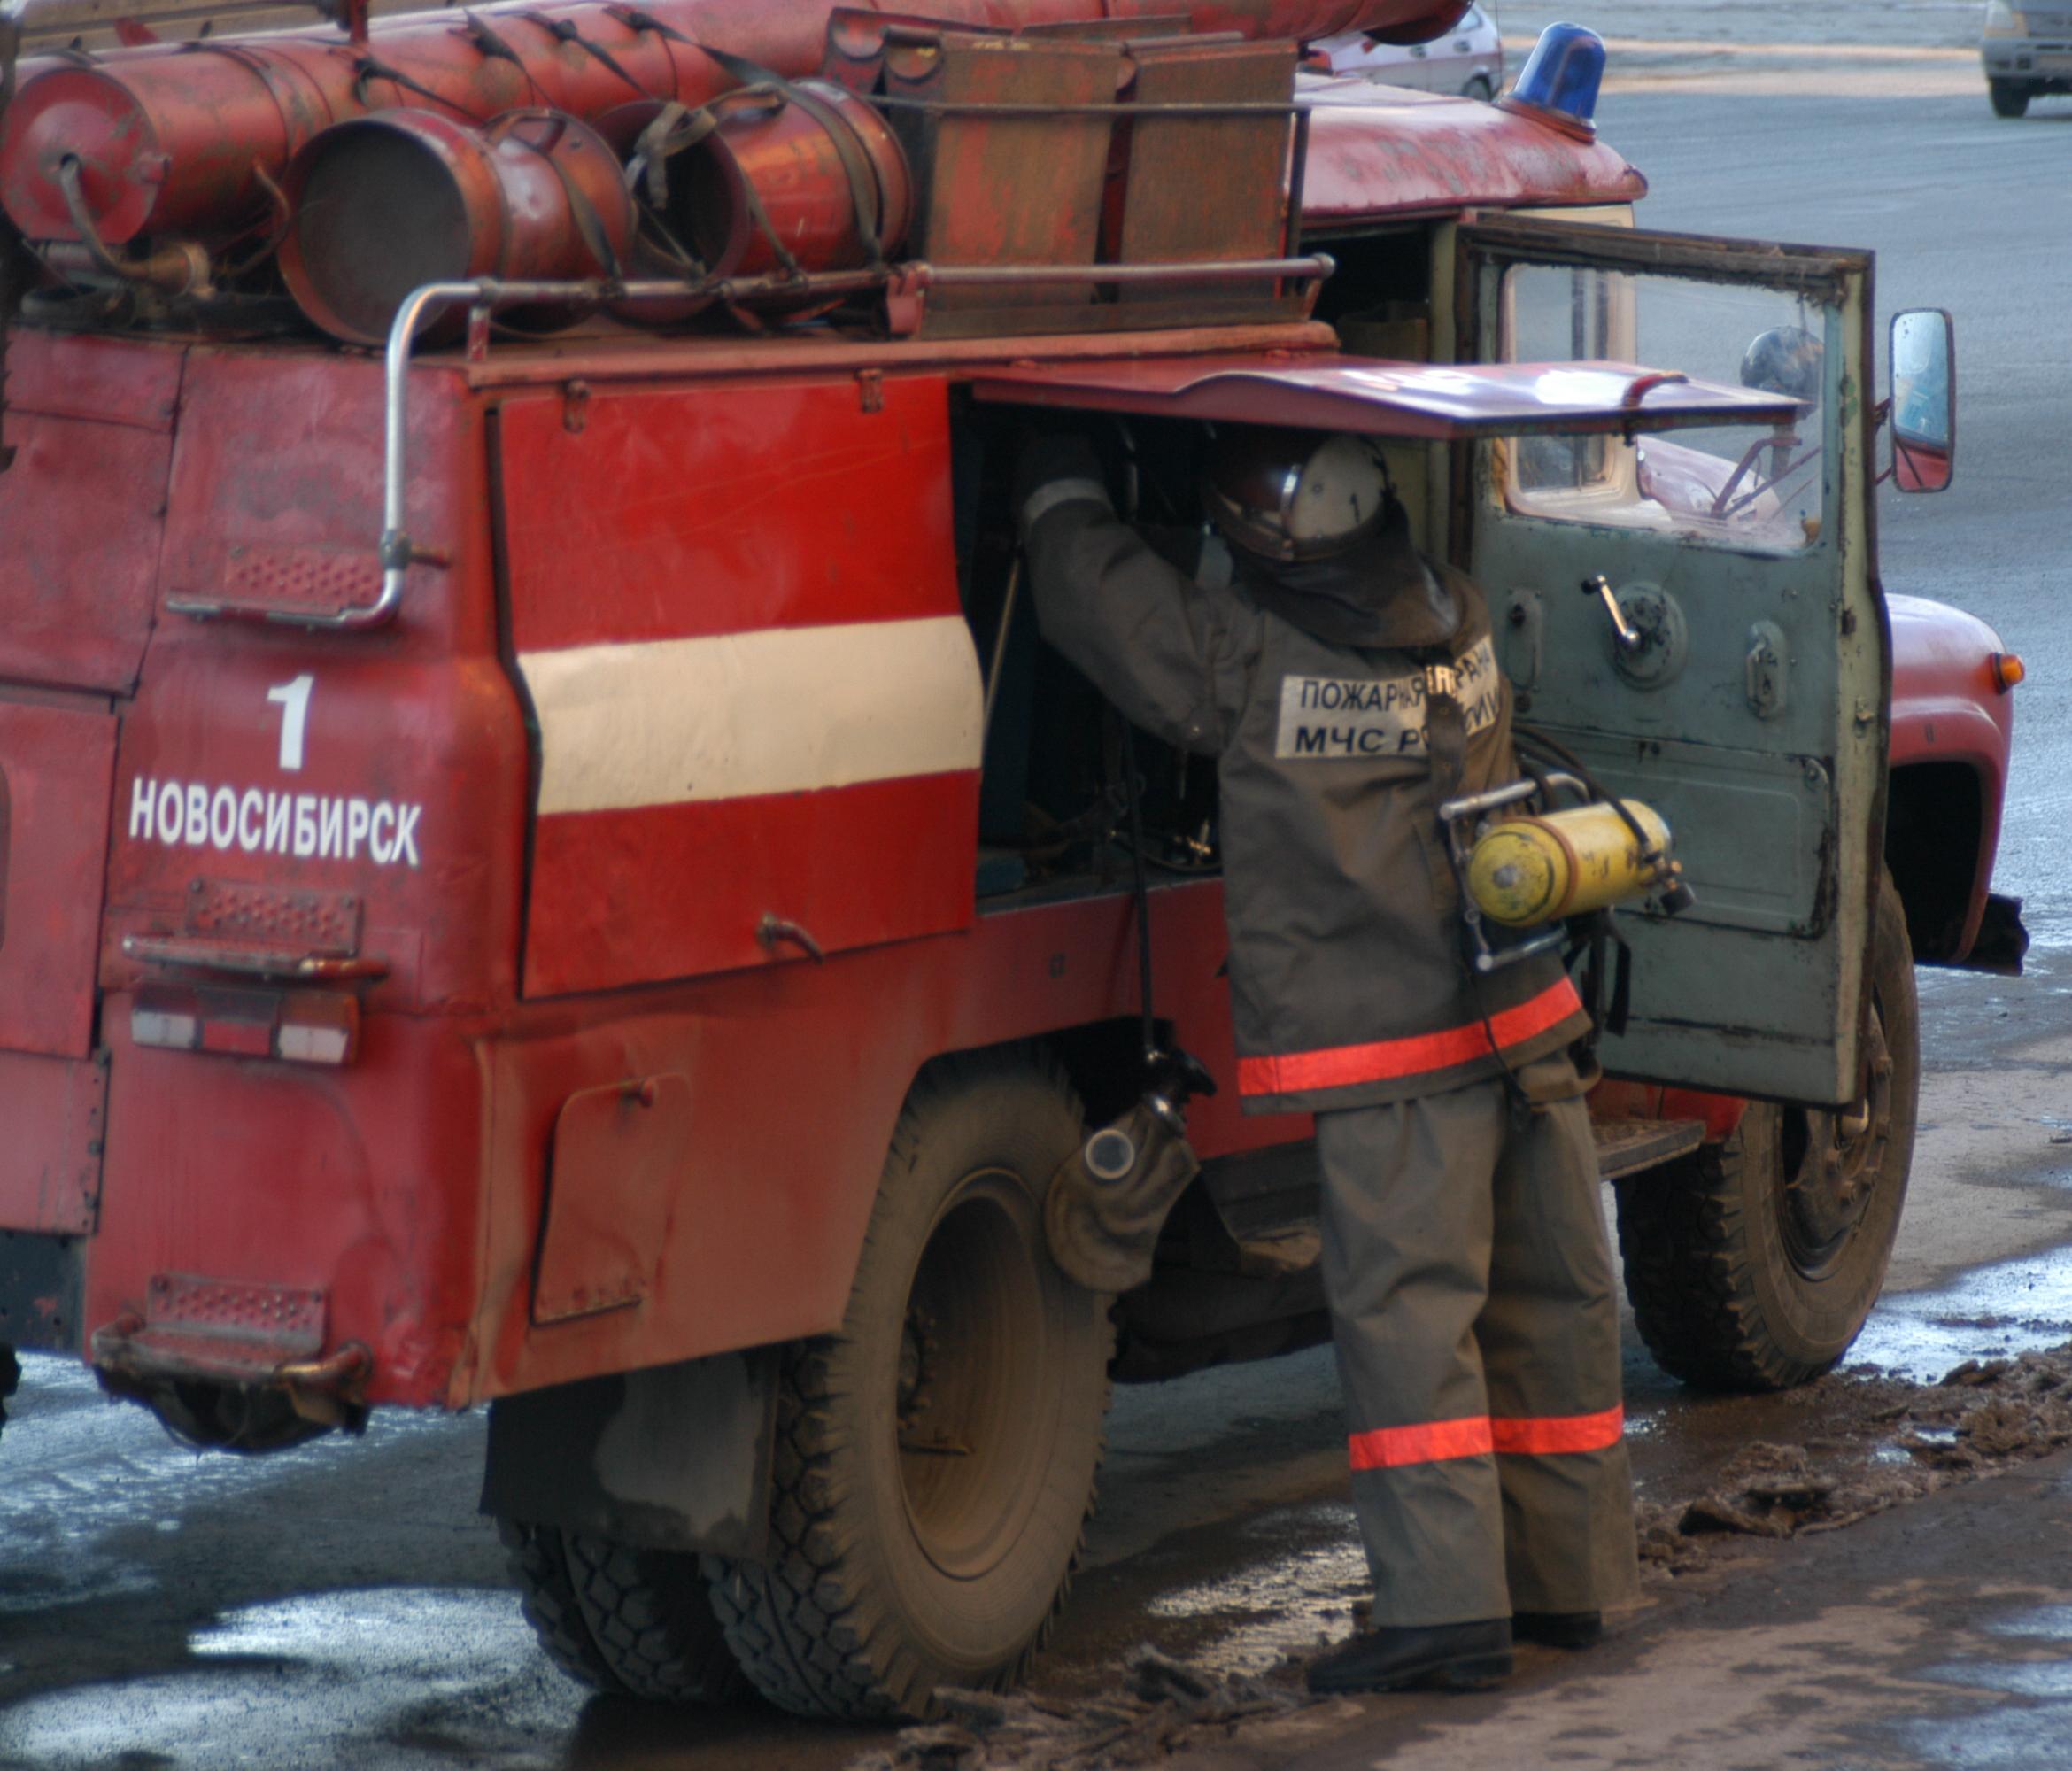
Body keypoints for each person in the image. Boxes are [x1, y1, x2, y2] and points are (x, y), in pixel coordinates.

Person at [1016, 424, 1640, 1695]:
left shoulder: (1247, 653)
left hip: (1394, 1046)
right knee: (1549, 1305)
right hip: (1522, 1022)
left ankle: (1446, 1616)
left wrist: (1054, 480)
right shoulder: (1455, 613)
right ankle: (1566, 1586)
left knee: (1413, 1324)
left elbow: (1100, 600)